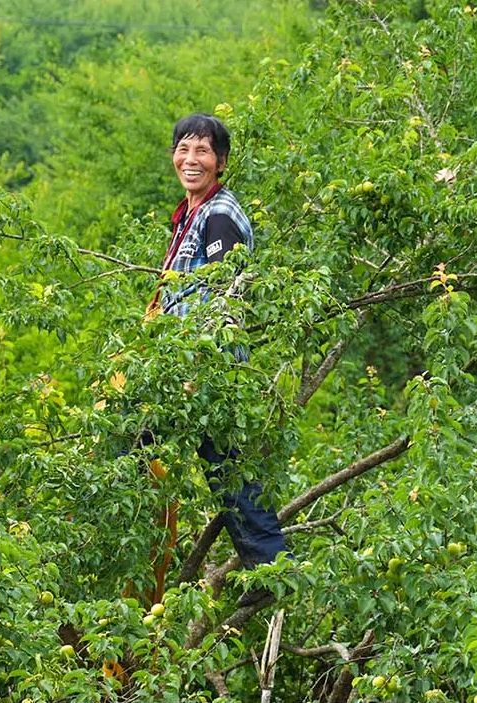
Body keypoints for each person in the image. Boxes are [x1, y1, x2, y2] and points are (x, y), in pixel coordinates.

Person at [146, 113, 287, 603]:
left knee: (220, 468)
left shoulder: (220, 215)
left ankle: (269, 571)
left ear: (220, 162)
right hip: (183, 367)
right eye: (184, 149)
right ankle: (264, 570)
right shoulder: (191, 213)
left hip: (207, 370)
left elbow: (223, 299)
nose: (191, 160)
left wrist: (194, 370)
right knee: (223, 469)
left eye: (203, 151)